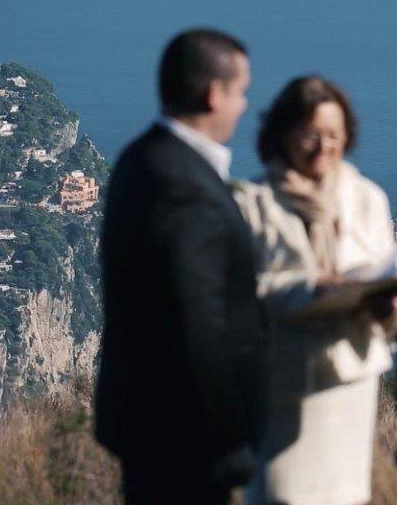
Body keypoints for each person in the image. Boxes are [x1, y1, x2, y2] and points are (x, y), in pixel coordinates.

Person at [95, 29, 269, 504]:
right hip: (187, 434)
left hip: (152, 424)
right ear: (215, 95)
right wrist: (230, 441)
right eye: (240, 92)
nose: (245, 105)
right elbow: (199, 321)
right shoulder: (184, 184)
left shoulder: (140, 159)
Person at [235, 76, 397, 505]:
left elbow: (390, 278)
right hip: (285, 385)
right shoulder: (254, 202)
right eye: (309, 134)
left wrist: (385, 300)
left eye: (332, 134)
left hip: (350, 381)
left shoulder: (367, 199)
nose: (322, 146)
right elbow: (240, 292)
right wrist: (312, 289)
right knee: (281, 494)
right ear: (282, 134)